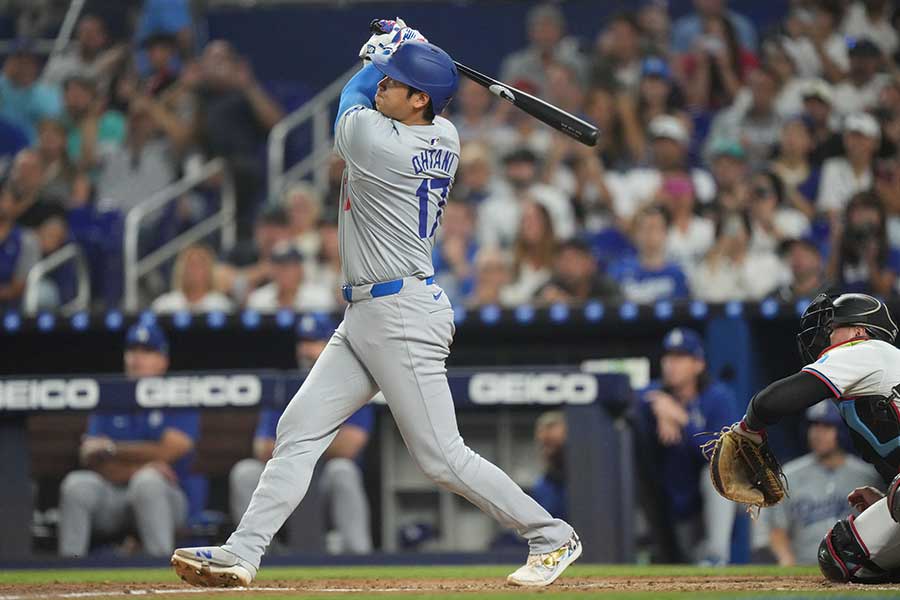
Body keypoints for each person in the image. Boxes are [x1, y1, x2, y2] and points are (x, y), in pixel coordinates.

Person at [171, 26, 581, 589]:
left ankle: (552, 535)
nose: (385, 85)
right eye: (389, 79)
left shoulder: (380, 142)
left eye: (400, 82)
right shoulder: (447, 135)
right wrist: (409, 52)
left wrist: (382, 53)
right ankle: (243, 552)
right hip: (369, 314)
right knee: (298, 430)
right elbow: (383, 96)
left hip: (402, 314)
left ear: (419, 100)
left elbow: (351, 98)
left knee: (442, 458)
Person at [714, 292, 900, 583]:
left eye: (832, 328)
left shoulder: (867, 350)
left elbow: (770, 402)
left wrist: (748, 428)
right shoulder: (878, 370)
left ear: (859, 331)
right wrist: (888, 498)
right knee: (842, 554)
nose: (825, 336)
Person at [229, 314, 374, 554]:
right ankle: (258, 553)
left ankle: (358, 554)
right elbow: (262, 448)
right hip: (287, 477)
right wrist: (318, 441)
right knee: (245, 472)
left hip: (326, 480)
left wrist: (297, 440)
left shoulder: (353, 381)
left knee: (343, 470)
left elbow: (350, 446)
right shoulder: (286, 385)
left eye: (316, 342)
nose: (307, 350)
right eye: (304, 342)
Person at [58, 323, 199, 557]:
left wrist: (112, 449)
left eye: (147, 351)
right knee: (76, 485)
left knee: (148, 482)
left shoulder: (178, 396)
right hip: (113, 497)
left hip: (167, 498)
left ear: (163, 360)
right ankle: (67, 575)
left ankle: (162, 569)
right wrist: (144, 463)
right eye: (133, 351)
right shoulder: (110, 396)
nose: (137, 358)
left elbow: (169, 452)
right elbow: (90, 457)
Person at [636, 328, 741, 564]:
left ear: (698, 364)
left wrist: (682, 420)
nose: (671, 364)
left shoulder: (717, 398)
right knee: (685, 563)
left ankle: (717, 555)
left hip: (705, 507)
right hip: (671, 504)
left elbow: (722, 454)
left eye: (680, 358)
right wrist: (660, 405)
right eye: (668, 357)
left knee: (717, 474)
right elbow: (629, 398)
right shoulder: (655, 396)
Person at [760, 401, 881, 566]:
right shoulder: (790, 474)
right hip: (804, 566)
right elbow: (777, 528)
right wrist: (786, 558)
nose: (817, 434)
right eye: (814, 426)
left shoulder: (867, 477)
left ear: (841, 432)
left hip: (856, 566)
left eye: (827, 427)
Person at [609, 205, 690, 304]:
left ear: (665, 234)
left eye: (655, 227)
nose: (649, 234)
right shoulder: (619, 270)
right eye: (644, 228)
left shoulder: (677, 274)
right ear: (636, 233)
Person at [818, 113, 881, 215]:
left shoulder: (881, 171)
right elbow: (830, 209)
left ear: (875, 142)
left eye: (862, 137)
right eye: (852, 136)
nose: (856, 142)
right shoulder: (832, 166)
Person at [0, 38, 62, 142]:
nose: (23, 66)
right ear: (8, 62)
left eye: (28, 61)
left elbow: (54, 128)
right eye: (18, 60)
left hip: (33, 151)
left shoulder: (49, 94)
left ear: (36, 65)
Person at [245, 242, 335, 313]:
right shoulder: (258, 299)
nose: (283, 272)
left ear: (300, 269)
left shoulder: (320, 297)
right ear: (272, 270)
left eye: (289, 266)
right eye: (279, 266)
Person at [536, 239, 622, 306]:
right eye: (562, 260)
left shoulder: (607, 287)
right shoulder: (551, 286)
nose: (566, 267)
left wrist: (570, 303)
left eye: (572, 260)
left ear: (590, 263)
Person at [152, 243, 233, 313]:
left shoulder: (221, 306)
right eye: (190, 264)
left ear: (210, 270)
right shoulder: (164, 305)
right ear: (180, 270)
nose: (194, 270)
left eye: (200, 264)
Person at [0, 185, 41, 310]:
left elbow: (19, 287)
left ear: (16, 206)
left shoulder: (27, 240)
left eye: (4, 199)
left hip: (10, 307)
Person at [530, 411, 567, 520]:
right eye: (544, 445)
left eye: (553, 444)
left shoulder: (589, 482)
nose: (547, 452)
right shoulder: (543, 486)